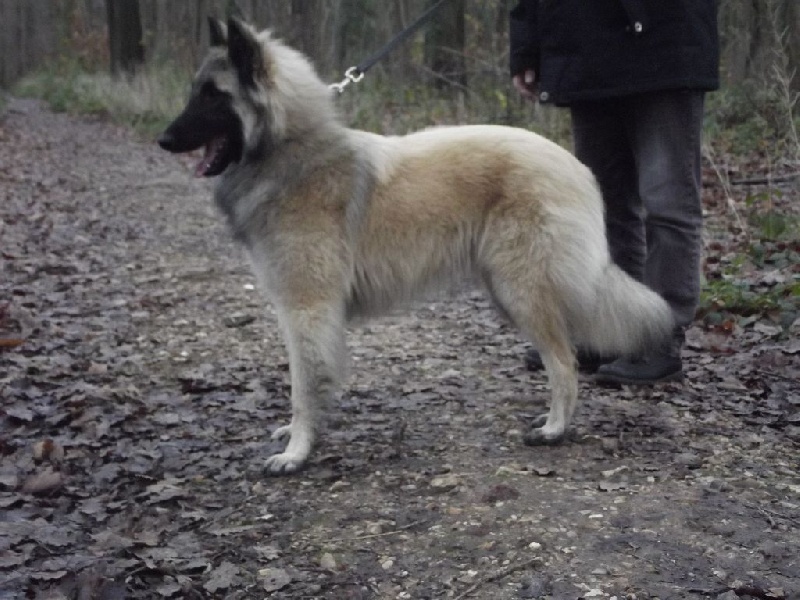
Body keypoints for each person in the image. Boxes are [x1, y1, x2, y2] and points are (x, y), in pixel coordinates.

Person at [509, 0, 719, 385]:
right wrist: (528, 46)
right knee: (604, 204)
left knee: (667, 203)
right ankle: (614, 331)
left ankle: (658, 338)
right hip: (586, 50)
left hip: (667, 41)